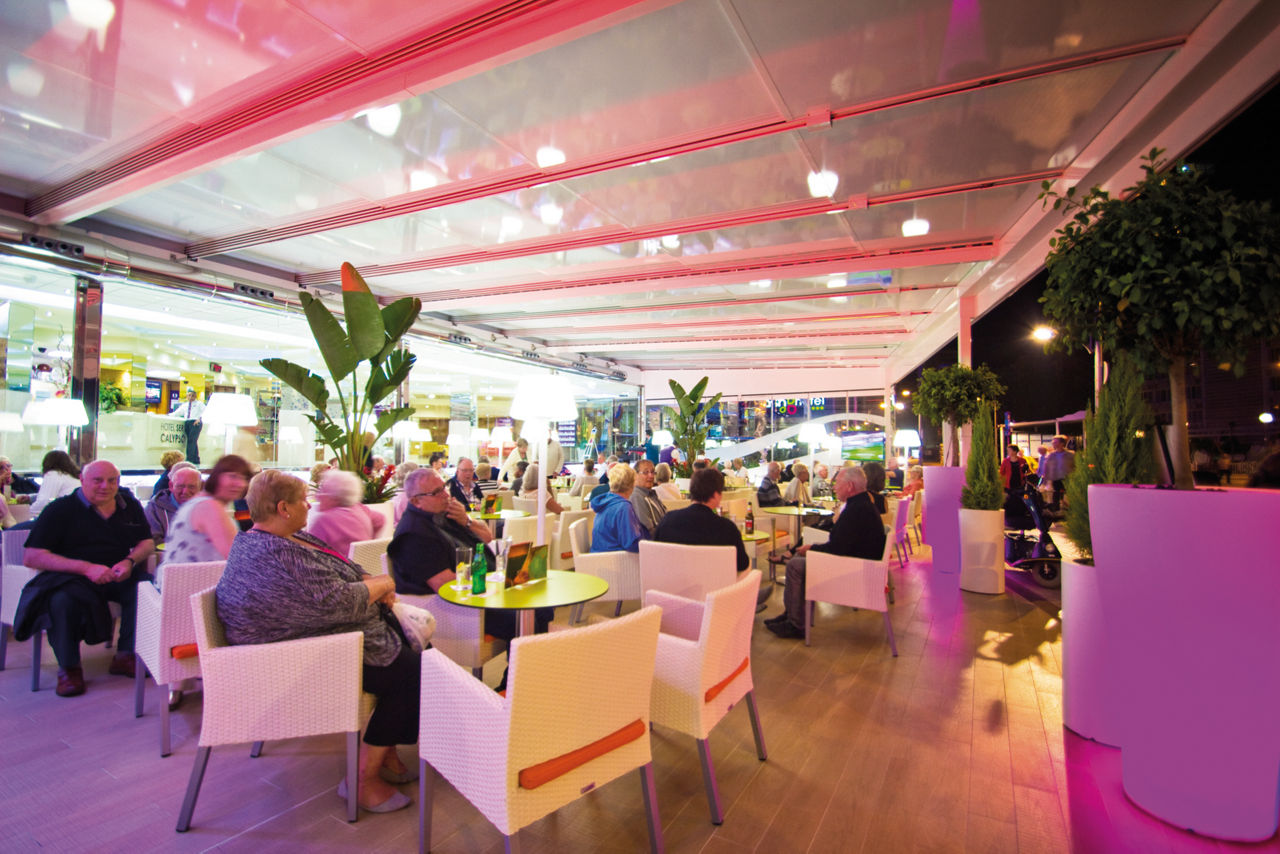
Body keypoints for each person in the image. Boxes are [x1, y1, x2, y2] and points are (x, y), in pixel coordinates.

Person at [217, 470, 416, 813]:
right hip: (293, 661)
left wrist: (369, 579)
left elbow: (343, 570)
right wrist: (383, 584)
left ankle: (385, 749)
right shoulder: (278, 553)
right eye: (302, 500)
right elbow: (338, 601)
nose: (309, 505)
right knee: (413, 673)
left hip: (318, 637)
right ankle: (362, 780)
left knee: (412, 650)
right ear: (284, 508)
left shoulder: (279, 538)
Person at [387, 468, 550, 688]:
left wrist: (466, 520)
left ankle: (523, 679)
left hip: (484, 590)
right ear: (416, 501)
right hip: (458, 605)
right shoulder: (413, 534)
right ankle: (515, 687)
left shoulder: (446, 515)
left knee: (543, 608)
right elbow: (445, 584)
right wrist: (493, 582)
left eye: (444, 488)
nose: (446, 495)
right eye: (437, 492)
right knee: (522, 618)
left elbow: (488, 536)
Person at [14, 460, 154, 696]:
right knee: (61, 601)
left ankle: (126, 655)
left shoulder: (128, 504)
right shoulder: (59, 510)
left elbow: (147, 542)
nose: (105, 486)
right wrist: (86, 568)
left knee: (146, 588)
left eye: (112, 480)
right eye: (97, 480)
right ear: (82, 480)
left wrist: (129, 561)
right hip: (72, 577)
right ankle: (69, 668)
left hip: (116, 572)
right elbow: (32, 556)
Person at [765, 466, 885, 639]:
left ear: (849, 486)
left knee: (795, 565)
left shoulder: (856, 510)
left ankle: (795, 624)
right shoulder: (862, 505)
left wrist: (811, 549)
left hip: (853, 572)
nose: (834, 487)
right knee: (799, 559)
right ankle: (791, 615)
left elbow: (836, 548)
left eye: (837, 483)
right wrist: (811, 549)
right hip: (860, 566)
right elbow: (841, 544)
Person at [163, 455, 252, 569]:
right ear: (217, 477)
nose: (240, 484)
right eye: (233, 476)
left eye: (244, 478)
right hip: (192, 580)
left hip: (178, 578)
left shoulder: (198, 502)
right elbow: (237, 560)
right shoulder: (210, 507)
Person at [654, 468, 749, 572]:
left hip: (674, 580)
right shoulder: (726, 528)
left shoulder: (668, 521)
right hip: (714, 582)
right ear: (716, 495)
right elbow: (742, 564)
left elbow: (656, 555)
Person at [306, 469, 387, 562]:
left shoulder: (323, 521)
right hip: (363, 567)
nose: (318, 496)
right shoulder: (359, 508)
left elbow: (309, 555)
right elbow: (380, 519)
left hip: (336, 569)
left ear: (335, 498)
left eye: (322, 491)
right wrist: (369, 543)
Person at [590, 464, 648, 553]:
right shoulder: (623, 507)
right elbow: (631, 544)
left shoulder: (605, 502)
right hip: (615, 558)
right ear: (631, 484)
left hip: (598, 556)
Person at [144, 463, 201, 543]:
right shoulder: (154, 509)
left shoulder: (208, 507)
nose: (185, 491)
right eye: (180, 486)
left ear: (200, 487)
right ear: (171, 486)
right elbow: (152, 541)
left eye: (191, 487)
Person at [29, 450, 82, 517]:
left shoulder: (54, 474)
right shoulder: (73, 476)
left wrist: (27, 510)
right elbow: (59, 494)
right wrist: (31, 498)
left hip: (62, 516)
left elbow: (44, 502)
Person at [630, 459, 667, 535]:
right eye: (646, 472)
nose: (651, 476)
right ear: (635, 475)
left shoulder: (651, 494)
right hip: (656, 540)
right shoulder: (636, 496)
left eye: (653, 472)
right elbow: (646, 530)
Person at [1039, 435, 1075, 511]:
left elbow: (1075, 466)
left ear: (1062, 443)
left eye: (1055, 442)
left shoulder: (1071, 454)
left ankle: (1070, 510)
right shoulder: (1051, 455)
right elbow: (1047, 468)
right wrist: (1045, 480)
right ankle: (1056, 510)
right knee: (1056, 495)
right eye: (1053, 442)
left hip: (1068, 479)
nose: (1053, 443)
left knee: (1069, 495)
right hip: (1056, 479)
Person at [171, 387, 205, 465]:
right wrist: (168, 415)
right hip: (187, 422)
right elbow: (177, 413)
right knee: (192, 441)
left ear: (195, 396)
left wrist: (199, 419)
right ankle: (196, 459)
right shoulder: (185, 405)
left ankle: (189, 459)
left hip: (195, 422)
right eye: (189, 395)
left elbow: (206, 412)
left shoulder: (199, 404)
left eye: (192, 395)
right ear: (186, 396)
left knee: (191, 441)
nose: (191, 397)